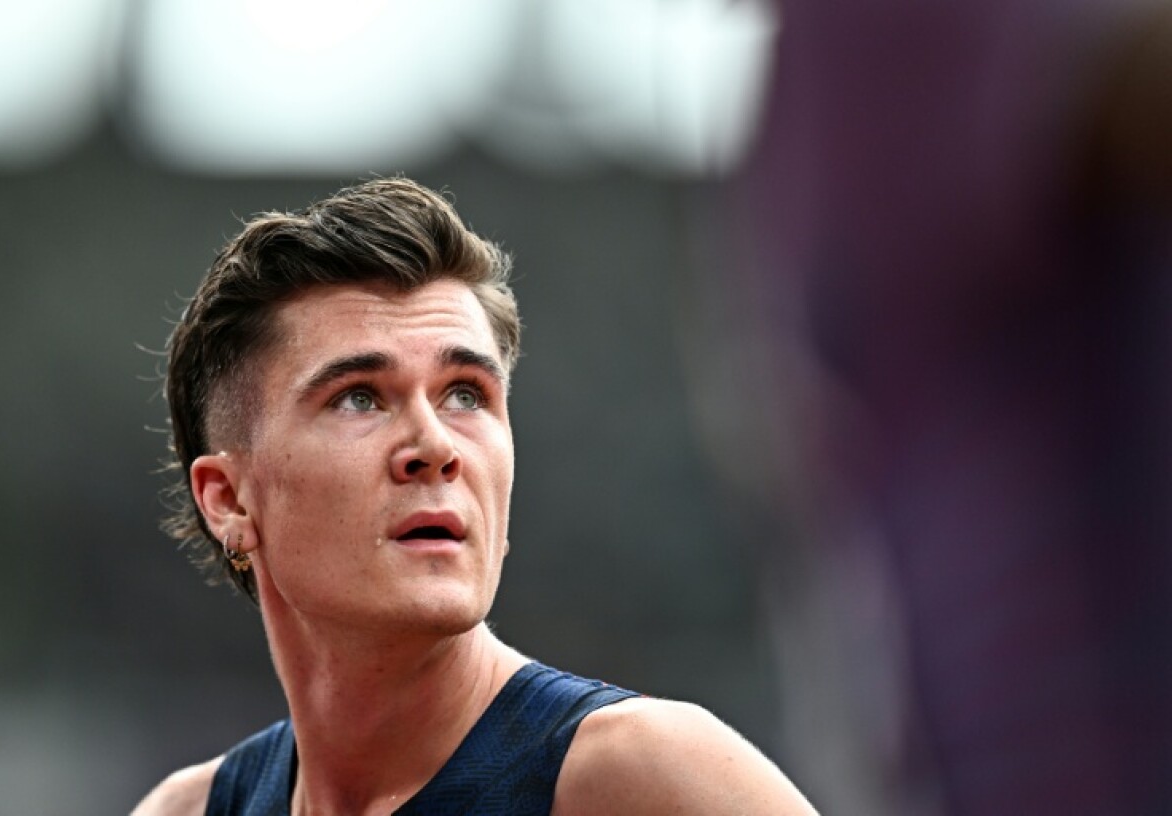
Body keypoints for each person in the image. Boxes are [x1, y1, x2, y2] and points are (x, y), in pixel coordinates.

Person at [131, 177, 817, 815]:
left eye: (465, 394)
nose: (435, 445)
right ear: (228, 500)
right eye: (359, 398)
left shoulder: (650, 776)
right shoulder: (188, 810)